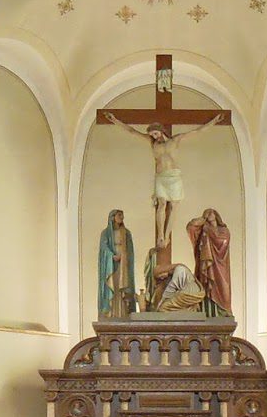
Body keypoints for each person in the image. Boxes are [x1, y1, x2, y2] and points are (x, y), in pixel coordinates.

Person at [104, 111, 228, 248]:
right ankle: (161, 236)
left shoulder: (175, 140)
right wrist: (114, 120)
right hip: (161, 177)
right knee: (162, 204)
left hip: (174, 176)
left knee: (173, 206)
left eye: (155, 133)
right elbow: (132, 131)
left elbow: (197, 131)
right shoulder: (152, 143)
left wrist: (214, 121)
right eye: (152, 135)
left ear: (161, 130)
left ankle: (167, 235)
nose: (154, 136)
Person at [187, 207, 233, 317]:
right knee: (207, 285)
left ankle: (223, 311)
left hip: (221, 264)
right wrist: (202, 219)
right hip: (207, 265)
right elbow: (190, 227)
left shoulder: (224, 231)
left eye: (211, 213)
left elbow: (223, 241)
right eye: (207, 214)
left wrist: (210, 233)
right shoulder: (204, 229)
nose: (209, 215)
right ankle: (209, 311)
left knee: (223, 288)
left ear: (216, 215)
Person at [96, 207, 135, 319]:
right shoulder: (105, 233)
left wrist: (124, 257)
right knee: (113, 285)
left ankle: (123, 314)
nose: (122, 218)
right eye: (119, 215)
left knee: (122, 287)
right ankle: (111, 313)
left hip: (123, 265)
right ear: (113, 217)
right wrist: (112, 256)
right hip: (111, 265)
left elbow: (130, 250)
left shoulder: (127, 233)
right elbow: (104, 248)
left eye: (122, 216)